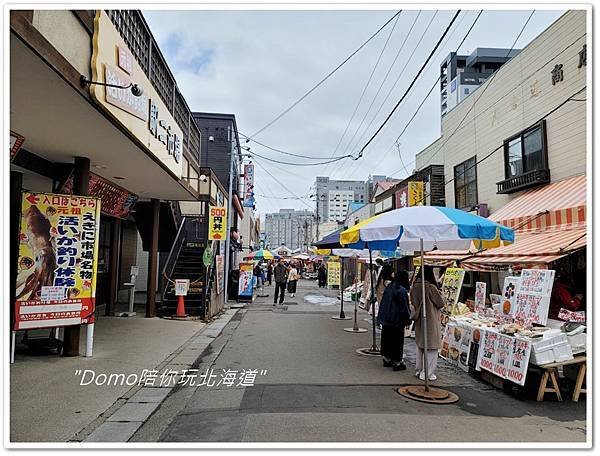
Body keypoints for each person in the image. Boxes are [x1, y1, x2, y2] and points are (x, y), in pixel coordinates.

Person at [410, 266, 445, 381]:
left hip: (420, 320)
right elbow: (440, 303)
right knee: (432, 347)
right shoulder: (430, 287)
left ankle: (419, 370)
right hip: (430, 320)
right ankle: (427, 373)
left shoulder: (414, 286)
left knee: (420, 345)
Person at [378, 270, 411, 371]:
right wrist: (407, 319)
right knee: (397, 341)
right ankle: (397, 362)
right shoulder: (402, 290)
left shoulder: (389, 287)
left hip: (386, 318)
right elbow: (404, 307)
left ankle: (387, 359)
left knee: (387, 339)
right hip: (397, 320)